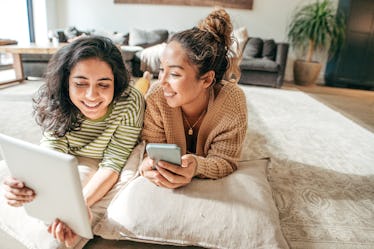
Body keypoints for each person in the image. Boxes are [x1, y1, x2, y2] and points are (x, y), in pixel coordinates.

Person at [2, 36, 145, 247]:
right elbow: (51, 152)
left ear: (116, 82)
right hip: (71, 153)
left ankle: (147, 78)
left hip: (102, 157)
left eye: (104, 84)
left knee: (143, 87)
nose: (91, 96)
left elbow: (112, 163)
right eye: (80, 83)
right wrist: (23, 185)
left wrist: (76, 209)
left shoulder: (130, 101)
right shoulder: (56, 99)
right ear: (66, 81)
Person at [139, 8, 248, 189]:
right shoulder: (157, 96)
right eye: (161, 70)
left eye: (174, 74)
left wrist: (198, 166)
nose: (162, 81)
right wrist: (147, 165)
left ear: (206, 79)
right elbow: (149, 148)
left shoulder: (232, 101)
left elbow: (226, 160)